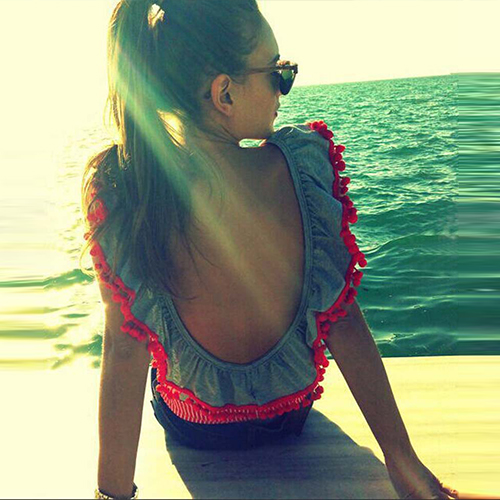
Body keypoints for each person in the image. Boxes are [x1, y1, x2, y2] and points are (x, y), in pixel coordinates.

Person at [81, 1, 460, 499]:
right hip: (290, 417)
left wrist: (111, 493)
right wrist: (400, 456)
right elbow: (343, 321)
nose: (285, 88)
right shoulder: (301, 171)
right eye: (279, 72)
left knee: (153, 347)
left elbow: (124, 348)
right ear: (224, 93)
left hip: (197, 427)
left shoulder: (125, 189)